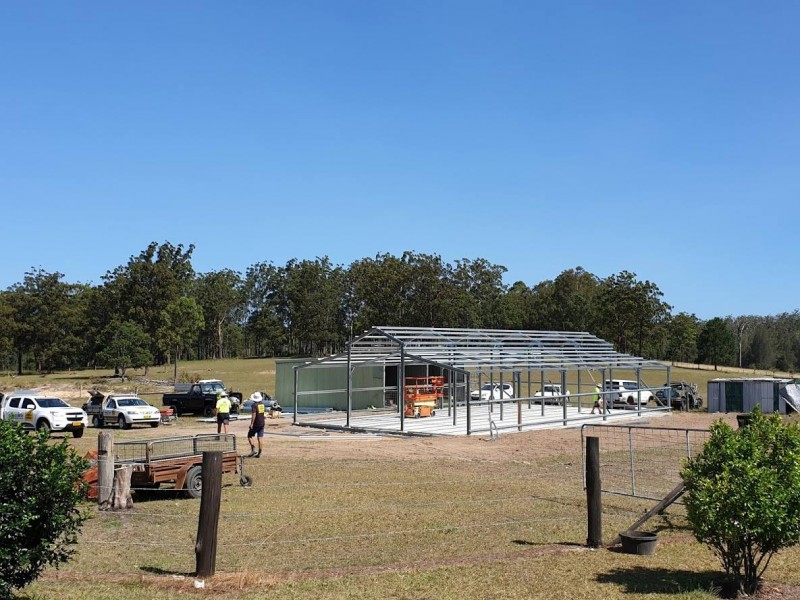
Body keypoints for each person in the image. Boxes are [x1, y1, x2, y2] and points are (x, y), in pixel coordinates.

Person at [247, 391, 266, 458]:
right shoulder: (262, 404)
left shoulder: (254, 405)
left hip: (256, 423)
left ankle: (253, 449)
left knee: (249, 436)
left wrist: (251, 423)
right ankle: (260, 453)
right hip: (262, 423)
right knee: (260, 438)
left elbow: (254, 415)